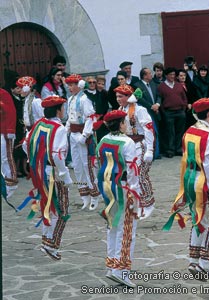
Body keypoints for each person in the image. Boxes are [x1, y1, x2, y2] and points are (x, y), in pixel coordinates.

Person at [163, 98, 209, 279]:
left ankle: (194, 260)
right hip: (203, 182)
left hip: (190, 179)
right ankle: (205, 265)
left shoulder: (189, 131)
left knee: (199, 219)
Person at [23, 95, 73, 260]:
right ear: (58, 110)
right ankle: (52, 244)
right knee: (62, 210)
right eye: (62, 108)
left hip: (39, 171)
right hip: (54, 173)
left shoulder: (38, 124)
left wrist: (33, 159)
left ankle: (46, 240)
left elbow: (25, 144)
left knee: (47, 206)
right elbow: (58, 155)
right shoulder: (59, 128)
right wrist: (65, 175)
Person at [96, 109, 141, 288]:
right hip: (122, 187)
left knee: (112, 226)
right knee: (127, 229)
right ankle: (121, 270)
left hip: (107, 186)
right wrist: (134, 192)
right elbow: (132, 170)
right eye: (124, 122)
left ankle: (112, 264)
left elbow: (98, 162)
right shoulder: (127, 142)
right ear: (121, 124)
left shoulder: (103, 139)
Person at [115, 84, 155, 220]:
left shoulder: (140, 110)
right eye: (117, 96)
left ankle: (148, 204)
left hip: (140, 145)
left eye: (121, 96)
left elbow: (149, 129)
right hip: (128, 146)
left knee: (141, 175)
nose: (118, 99)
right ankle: (137, 204)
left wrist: (150, 149)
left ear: (129, 97)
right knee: (131, 176)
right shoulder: (120, 109)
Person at [65, 74, 100, 210]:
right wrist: (65, 130)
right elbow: (70, 117)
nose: (70, 87)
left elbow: (91, 118)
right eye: (69, 85)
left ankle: (94, 195)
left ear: (79, 85)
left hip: (82, 134)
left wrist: (85, 135)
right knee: (77, 165)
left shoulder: (85, 99)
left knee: (87, 165)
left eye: (72, 85)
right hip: (73, 134)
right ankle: (84, 195)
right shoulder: (70, 100)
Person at [157, 67, 187, 158]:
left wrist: (184, 107)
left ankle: (178, 148)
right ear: (166, 75)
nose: (172, 76)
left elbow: (184, 97)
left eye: (174, 75)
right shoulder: (161, 86)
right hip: (168, 112)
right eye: (170, 74)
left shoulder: (178, 85)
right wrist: (164, 112)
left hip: (180, 111)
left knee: (180, 131)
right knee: (170, 132)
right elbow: (160, 99)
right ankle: (170, 150)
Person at [0, 88, 18, 199]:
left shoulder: (3, 94)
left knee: (6, 158)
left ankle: (11, 183)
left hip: (4, 132)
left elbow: (11, 112)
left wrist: (10, 130)